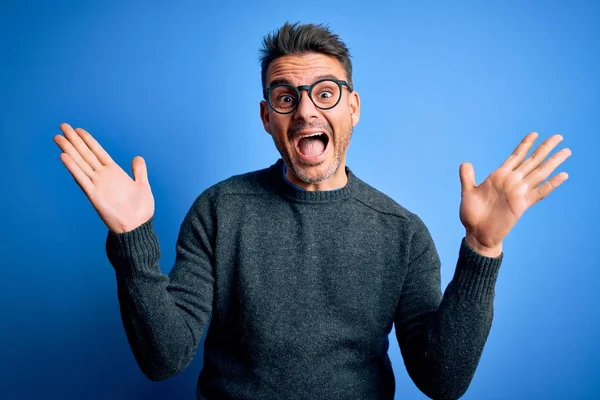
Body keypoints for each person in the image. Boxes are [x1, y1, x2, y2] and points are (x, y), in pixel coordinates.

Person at [53, 22, 571, 400]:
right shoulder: (219, 211)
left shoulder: (401, 234)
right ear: (266, 118)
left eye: (324, 93)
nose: (305, 110)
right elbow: (164, 361)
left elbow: (443, 380)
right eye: (285, 97)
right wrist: (134, 238)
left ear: (353, 108)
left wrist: (482, 249)